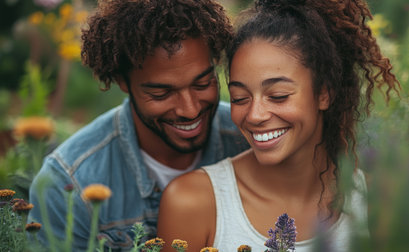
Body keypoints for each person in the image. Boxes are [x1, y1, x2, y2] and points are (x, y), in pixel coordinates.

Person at [157, 0, 400, 251]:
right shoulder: (193, 203)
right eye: (240, 98)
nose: (254, 115)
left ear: (324, 93)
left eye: (278, 95)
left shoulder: (377, 199)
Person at [27, 0, 249, 250]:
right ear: (122, 81)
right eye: (162, 93)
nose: (190, 109)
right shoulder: (69, 184)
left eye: (202, 84)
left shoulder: (250, 140)